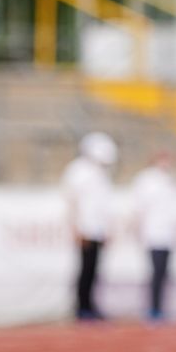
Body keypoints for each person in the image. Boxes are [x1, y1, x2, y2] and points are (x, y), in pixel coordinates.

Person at [60, 131, 117, 321]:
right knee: (84, 268)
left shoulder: (101, 174)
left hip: (98, 228)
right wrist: (75, 227)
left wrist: (107, 228)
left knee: (94, 268)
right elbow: (72, 201)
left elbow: (103, 205)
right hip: (84, 228)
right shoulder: (78, 170)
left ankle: (91, 304)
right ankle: (81, 306)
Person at [131, 149, 176, 322]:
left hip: (169, 234)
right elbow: (139, 207)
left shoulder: (172, 180)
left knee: (164, 273)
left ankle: (160, 307)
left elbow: (175, 208)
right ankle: (153, 308)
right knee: (155, 271)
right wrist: (139, 229)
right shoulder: (146, 180)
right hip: (153, 232)